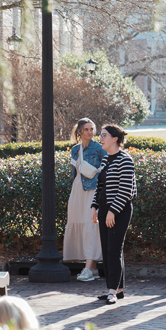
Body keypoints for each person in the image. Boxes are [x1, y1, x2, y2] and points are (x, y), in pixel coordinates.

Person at [90, 124, 136, 305]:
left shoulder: (125, 160)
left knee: (113, 250)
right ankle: (118, 289)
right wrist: (94, 207)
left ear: (115, 139)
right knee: (107, 250)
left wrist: (112, 211)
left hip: (119, 211)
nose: (100, 139)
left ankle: (112, 291)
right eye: (100, 135)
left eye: (104, 135)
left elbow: (125, 190)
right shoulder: (105, 160)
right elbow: (100, 187)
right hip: (104, 210)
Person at [63, 118, 105, 282]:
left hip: (93, 190)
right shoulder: (75, 149)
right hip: (78, 190)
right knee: (81, 223)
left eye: (91, 129)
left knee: (91, 225)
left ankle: (87, 268)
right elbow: (74, 172)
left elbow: (106, 168)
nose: (90, 132)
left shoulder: (99, 148)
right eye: (86, 129)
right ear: (79, 131)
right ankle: (92, 268)